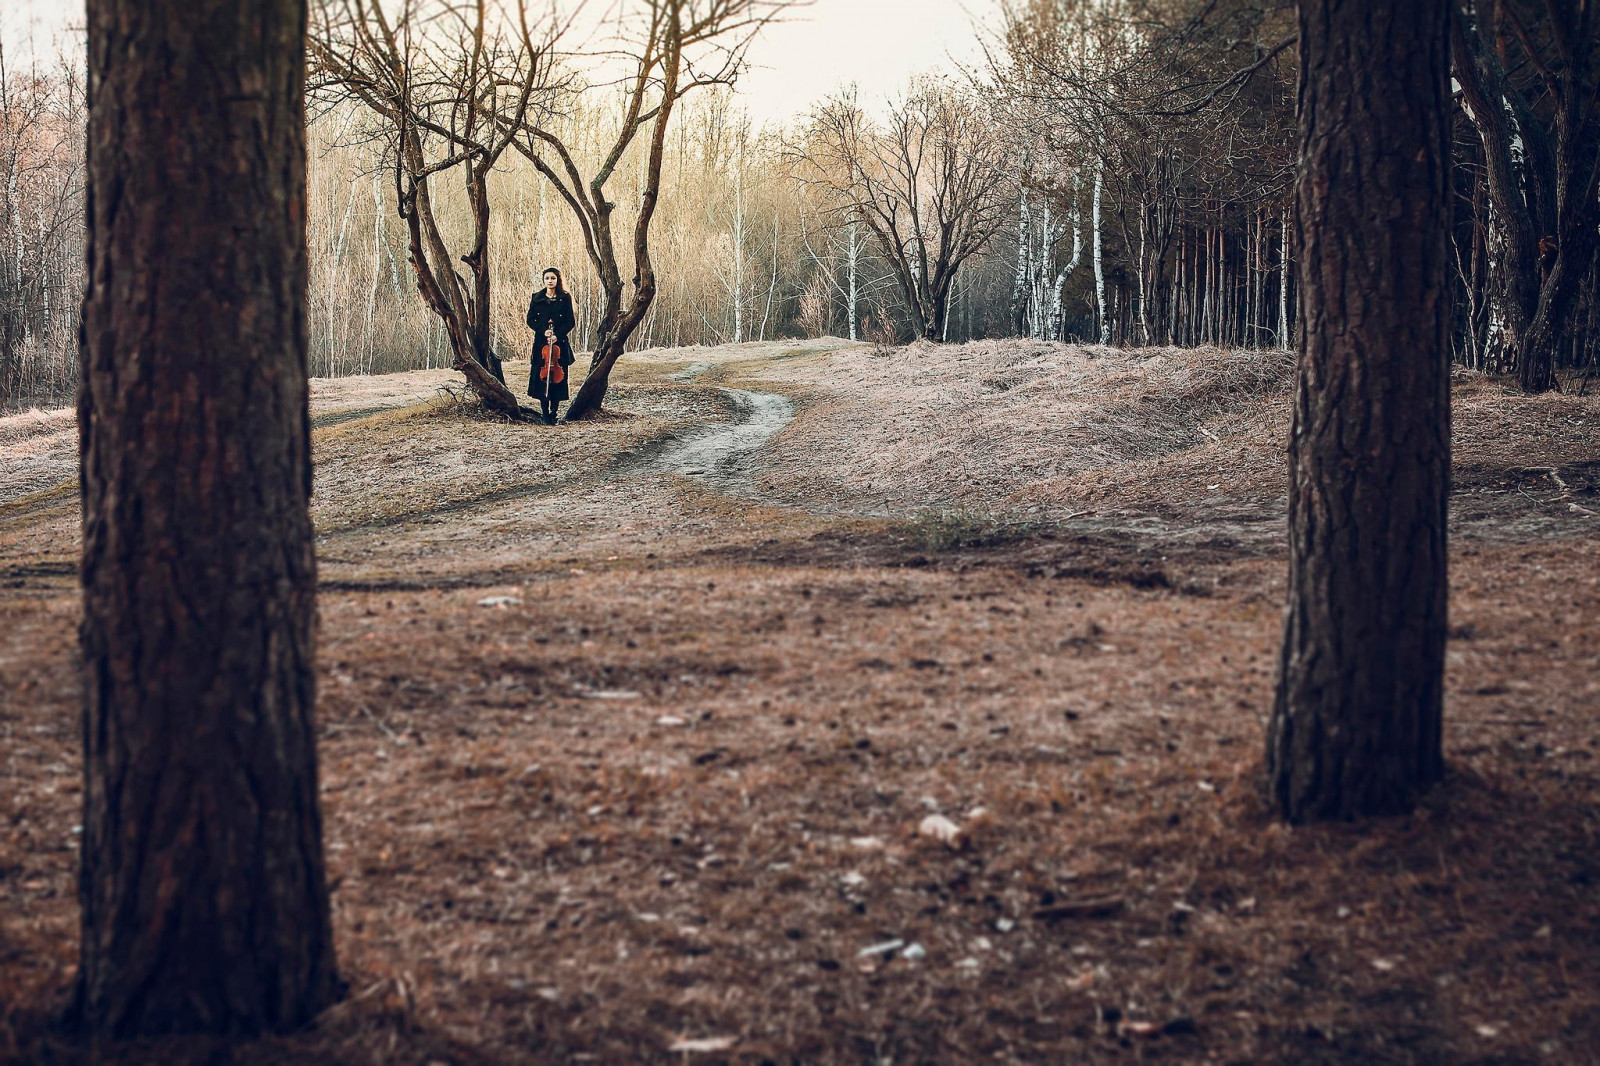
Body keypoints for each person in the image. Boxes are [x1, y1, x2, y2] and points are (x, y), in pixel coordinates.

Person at [527, 267, 577, 424]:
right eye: (547, 278)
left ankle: (554, 412)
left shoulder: (565, 297)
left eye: (553, 278)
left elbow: (570, 321)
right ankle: (544, 414)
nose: (550, 281)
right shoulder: (536, 298)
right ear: (544, 280)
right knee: (541, 379)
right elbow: (530, 320)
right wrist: (544, 332)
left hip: (559, 345)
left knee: (558, 379)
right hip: (541, 344)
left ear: (557, 280)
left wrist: (557, 335)